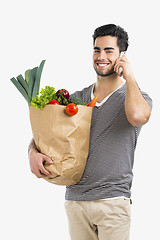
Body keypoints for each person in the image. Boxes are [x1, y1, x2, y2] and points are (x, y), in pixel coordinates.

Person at [28, 24, 152, 240]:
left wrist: (130, 77)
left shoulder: (136, 97)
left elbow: (138, 117)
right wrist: (32, 152)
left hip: (112, 202)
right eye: (97, 50)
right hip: (76, 201)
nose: (101, 56)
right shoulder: (77, 98)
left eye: (109, 50)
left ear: (122, 55)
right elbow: (49, 133)